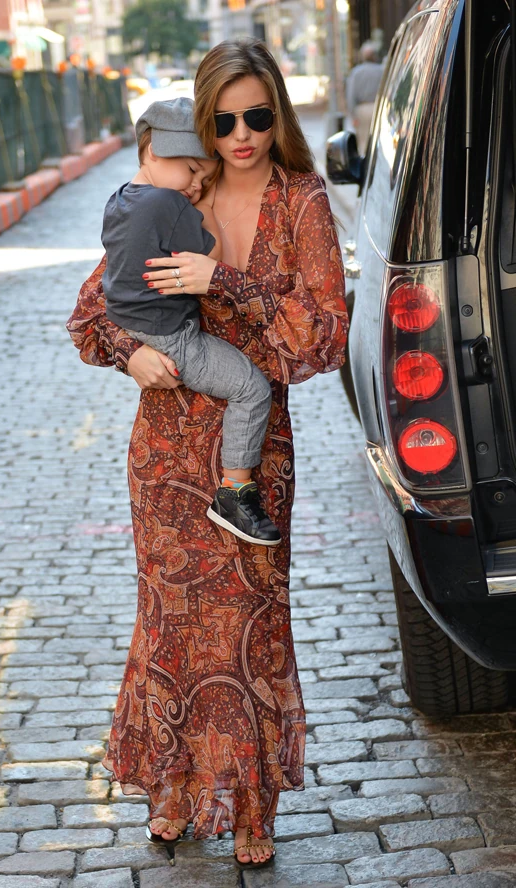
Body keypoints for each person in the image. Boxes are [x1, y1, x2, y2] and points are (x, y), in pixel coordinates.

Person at [66, 37, 347, 871]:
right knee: (172, 628)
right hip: (164, 449)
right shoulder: (177, 193)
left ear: (278, 116)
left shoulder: (301, 201)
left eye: (257, 117)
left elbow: (323, 334)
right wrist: (131, 354)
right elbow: (93, 312)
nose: (242, 136)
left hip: (251, 466)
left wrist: (222, 281)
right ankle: (173, 791)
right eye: (223, 122)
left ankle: (250, 807)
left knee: (250, 628)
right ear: (201, 123)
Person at [102, 97, 281, 546]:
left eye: (205, 178)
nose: (197, 185)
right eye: (192, 170)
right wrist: (207, 215)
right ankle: (235, 490)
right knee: (251, 389)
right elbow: (211, 258)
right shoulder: (169, 204)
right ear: (152, 151)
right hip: (174, 339)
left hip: (134, 326)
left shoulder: (119, 200)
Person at [346, 41, 384, 154]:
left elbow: (351, 95)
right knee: (379, 139)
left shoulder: (356, 72)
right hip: (379, 108)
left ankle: (365, 160)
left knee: (363, 142)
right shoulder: (381, 70)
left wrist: (353, 115)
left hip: (362, 110)